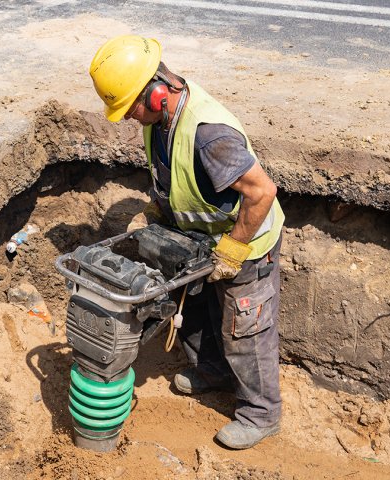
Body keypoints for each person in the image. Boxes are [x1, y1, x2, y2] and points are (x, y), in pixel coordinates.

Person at [89, 35, 285, 450]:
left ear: (158, 93)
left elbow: (262, 193)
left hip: (245, 242)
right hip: (196, 240)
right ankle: (211, 371)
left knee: (242, 328)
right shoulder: (160, 122)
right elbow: (172, 175)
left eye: (129, 109)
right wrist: (159, 216)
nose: (126, 118)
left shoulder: (210, 135)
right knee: (193, 305)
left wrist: (232, 251)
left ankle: (260, 413)